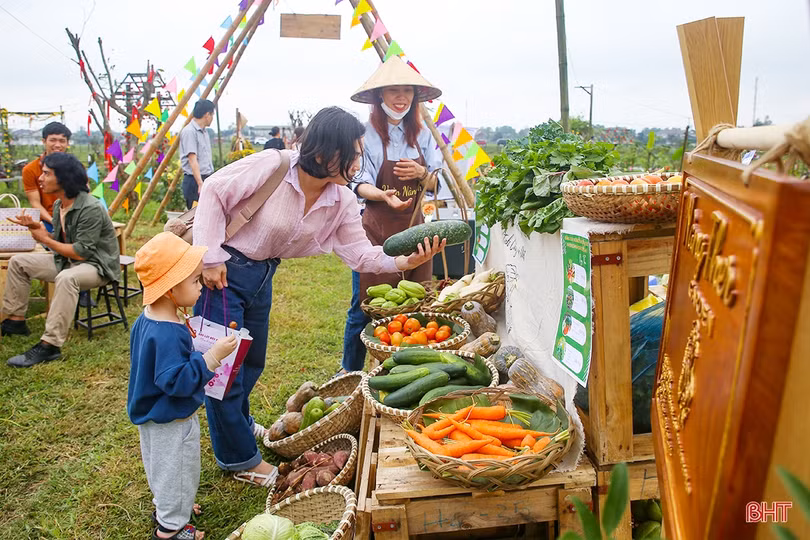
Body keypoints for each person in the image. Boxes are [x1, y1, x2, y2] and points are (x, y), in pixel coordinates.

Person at [192, 106, 445, 486]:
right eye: (355, 152)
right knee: (225, 371)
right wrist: (210, 257)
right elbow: (212, 189)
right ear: (329, 152)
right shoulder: (273, 166)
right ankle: (239, 458)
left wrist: (406, 259)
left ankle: (239, 425)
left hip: (262, 274)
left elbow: (359, 253)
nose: (360, 160)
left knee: (252, 360)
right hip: (224, 273)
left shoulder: (340, 199)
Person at [128, 231, 238, 540]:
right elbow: (175, 382)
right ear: (169, 289)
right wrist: (211, 357)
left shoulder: (151, 319)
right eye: (194, 282)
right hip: (169, 418)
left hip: (153, 414)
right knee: (177, 467)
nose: (201, 287)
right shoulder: (167, 332)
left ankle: (171, 503)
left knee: (163, 468)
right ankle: (171, 529)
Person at [340, 56, 443, 373]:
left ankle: (405, 363)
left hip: (414, 230)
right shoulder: (366, 134)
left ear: (415, 98)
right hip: (376, 231)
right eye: (394, 91)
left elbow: (436, 181)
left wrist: (421, 172)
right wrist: (382, 194)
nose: (401, 98)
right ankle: (351, 369)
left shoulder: (423, 133)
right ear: (379, 96)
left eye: (407, 92)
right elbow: (356, 181)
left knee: (416, 301)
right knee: (366, 305)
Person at [1, 153, 120, 367]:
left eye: (46, 173)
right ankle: (15, 321)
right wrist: (37, 229)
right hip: (68, 261)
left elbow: (81, 252)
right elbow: (59, 242)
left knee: (67, 278)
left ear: (64, 178)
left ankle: (50, 345)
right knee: (19, 262)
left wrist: (43, 237)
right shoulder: (59, 205)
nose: (40, 178)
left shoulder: (90, 207)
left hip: (97, 266)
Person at [22, 122, 71, 233]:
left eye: (62, 141)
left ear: (67, 143)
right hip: (47, 220)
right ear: (44, 141)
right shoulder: (30, 169)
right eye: (53, 140)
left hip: (72, 219)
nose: (58, 145)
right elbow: (35, 203)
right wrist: (55, 222)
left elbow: (85, 196)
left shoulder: (76, 167)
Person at [179, 100, 215, 210]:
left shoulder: (204, 132)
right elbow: (192, 159)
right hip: (194, 181)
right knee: (195, 215)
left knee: (207, 213)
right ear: (207, 115)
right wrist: (200, 183)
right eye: (212, 114)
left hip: (206, 177)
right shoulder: (189, 131)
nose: (212, 118)